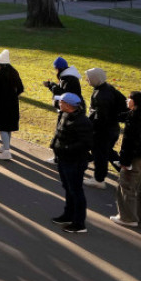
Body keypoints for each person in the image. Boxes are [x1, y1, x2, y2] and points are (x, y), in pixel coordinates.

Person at [50, 92, 94, 234]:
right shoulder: (64, 114)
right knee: (68, 188)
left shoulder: (82, 121)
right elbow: (59, 133)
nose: (59, 103)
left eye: (61, 102)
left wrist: (66, 148)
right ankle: (68, 215)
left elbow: (86, 143)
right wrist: (54, 145)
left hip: (75, 161)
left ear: (69, 105)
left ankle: (79, 223)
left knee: (76, 191)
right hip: (64, 159)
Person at [84, 67, 127, 189]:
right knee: (108, 152)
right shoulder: (108, 88)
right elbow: (124, 104)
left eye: (89, 78)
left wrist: (91, 128)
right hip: (113, 129)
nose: (87, 80)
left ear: (95, 79)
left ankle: (99, 180)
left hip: (102, 132)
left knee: (100, 155)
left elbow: (100, 117)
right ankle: (126, 174)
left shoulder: (101, 95)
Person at [110, 90, 141, 228]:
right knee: (137, 187)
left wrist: (125, 162)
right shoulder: (133, 114)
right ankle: (136, 215)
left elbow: (131, 142)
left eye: (130, 99)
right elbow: (120, 116)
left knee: (126, 186)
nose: (127, 101)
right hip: (137, 158)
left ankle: (128, 218)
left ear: (136, 102)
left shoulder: (135, 119)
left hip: (133, 159)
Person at [0, 49, 24, 160]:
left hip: (0, 104)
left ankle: (7, 151)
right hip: (12, 103)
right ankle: (5, 145)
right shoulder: (14, 72)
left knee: (2, 127)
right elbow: (21, 88)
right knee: (8, 126)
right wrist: (13, 96)